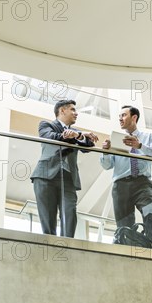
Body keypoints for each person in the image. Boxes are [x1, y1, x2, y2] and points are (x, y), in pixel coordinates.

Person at [100, 105, 152, 250]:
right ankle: (127, 252)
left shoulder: (148, 138)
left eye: (123, 115)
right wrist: (105, 152)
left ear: (134, 117)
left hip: (142, 183)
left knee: (150, 214)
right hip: (121, 186)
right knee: (124, 224)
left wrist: (140, 145)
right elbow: (107, 165)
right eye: (119, 117)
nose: (120, 119)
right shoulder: (116, 140)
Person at [31, 100, 99, 237]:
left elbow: (89, 145)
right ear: (62, 110)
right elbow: (51, 137)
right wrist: (72, 135)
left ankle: (68, 247)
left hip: (68, 178)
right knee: (48, 219)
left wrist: (78, 135)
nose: (76, 113)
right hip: (45, 176)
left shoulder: (76, 132)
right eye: (73, 110)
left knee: (69, 214)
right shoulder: (46, 125)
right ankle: (50, 247)